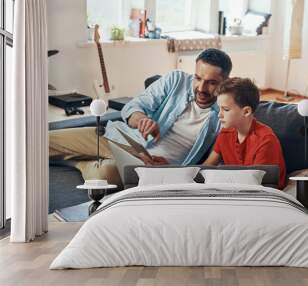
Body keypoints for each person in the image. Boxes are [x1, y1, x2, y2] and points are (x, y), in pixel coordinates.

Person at [50, 48, 232, 187]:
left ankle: (76, 161)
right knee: (45, 141)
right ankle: (75, 158)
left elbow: (215, 163)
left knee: (105, 174)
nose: (201, 88)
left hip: (150, 169)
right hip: (120, 139)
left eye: (211, 83)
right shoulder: (176, 80)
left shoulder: (227, 112)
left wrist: (174, 170)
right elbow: (133, 107)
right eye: (198, 78)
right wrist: (141, 120)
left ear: (225, 81)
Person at [203, 77, 286, 189]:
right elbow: (208, 165)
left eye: (226, 110)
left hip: (261, 193)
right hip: (234, 188)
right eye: (219, 108)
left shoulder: (266, 141)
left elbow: (260, 186)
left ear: (246, 111)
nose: (219, 115)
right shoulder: (225, 133)